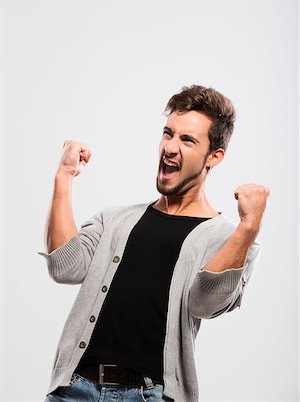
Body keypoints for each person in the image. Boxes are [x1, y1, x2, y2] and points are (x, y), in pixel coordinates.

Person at [38, 84, 270, 402]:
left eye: (187, 140)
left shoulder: (229, 238)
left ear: (214, 156)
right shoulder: (116, 219)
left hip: (151, 395)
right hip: (75, 389)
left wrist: (248, 226)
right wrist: (64, 175)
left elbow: (204, 303)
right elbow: (65, 266)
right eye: (168, 133)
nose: (170, 148)